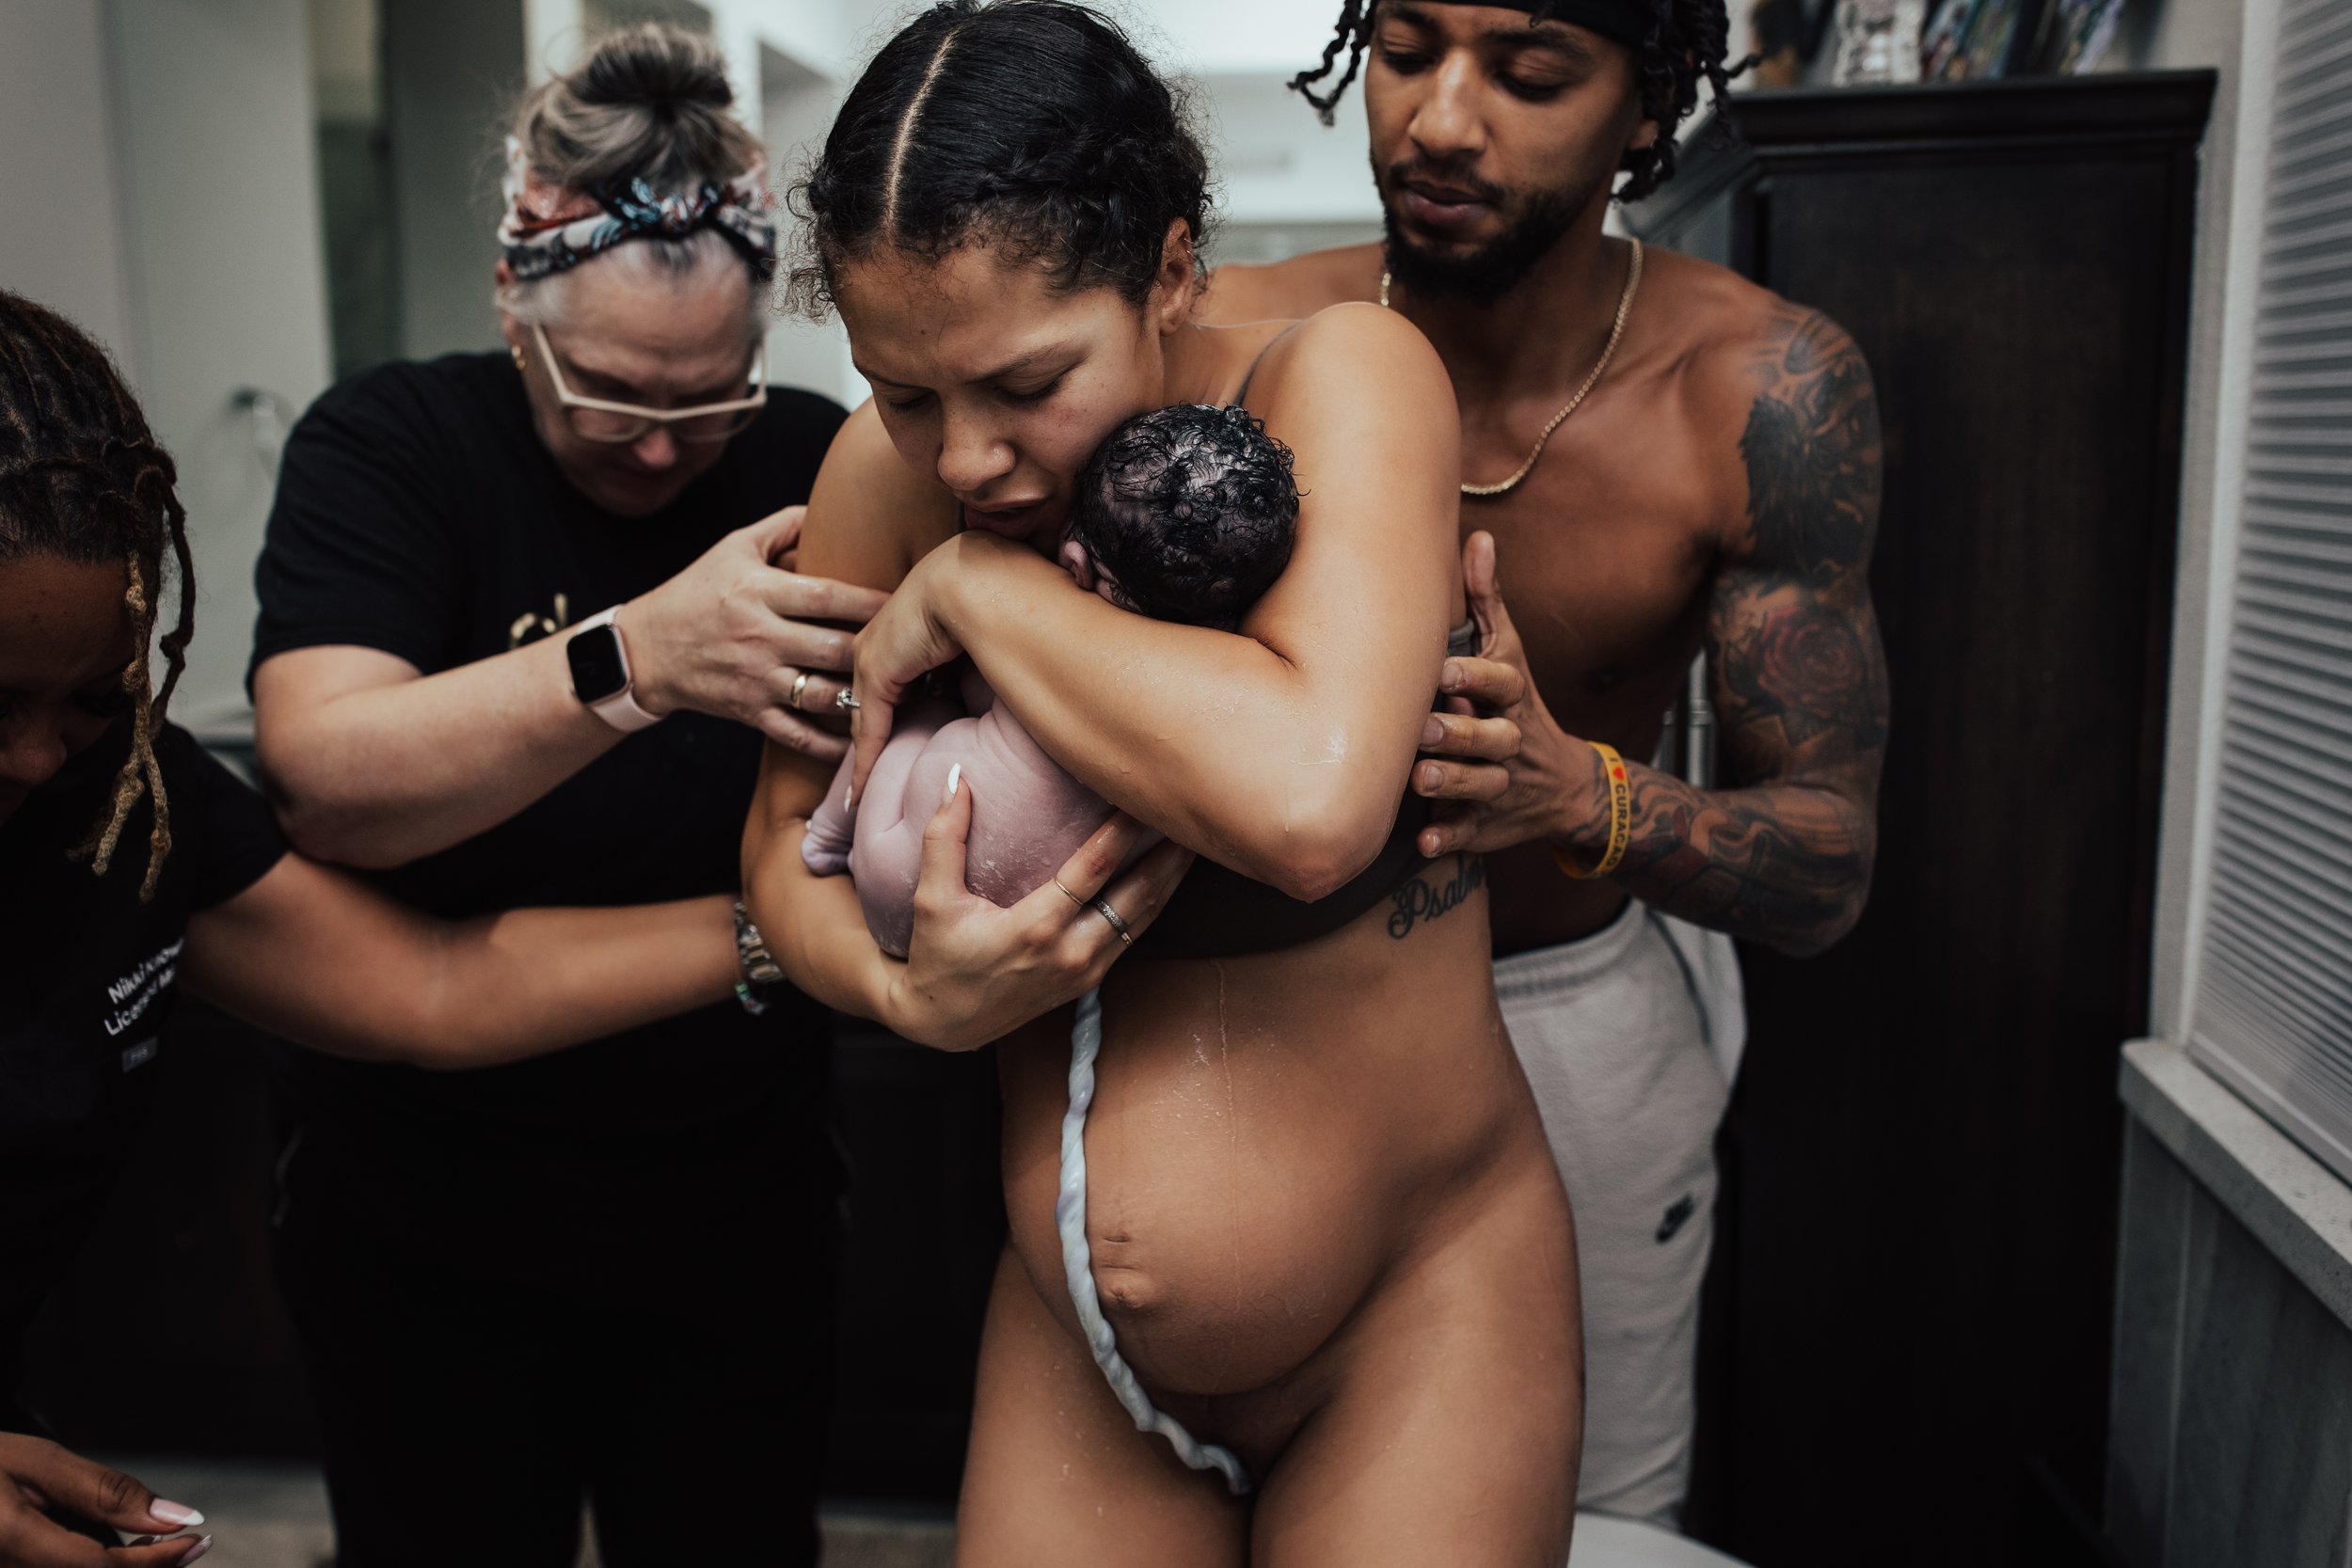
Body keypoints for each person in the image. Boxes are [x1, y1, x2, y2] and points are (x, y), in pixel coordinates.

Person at [742, 4, 1583, 1562]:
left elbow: (1312, 803)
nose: (970, 461)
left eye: (1024, 381)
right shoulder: (885, 471)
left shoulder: (1342, 377)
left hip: (1415, 1312)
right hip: (1077, 1344)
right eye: (906, 391)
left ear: (1171, 271)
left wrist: (987, 597)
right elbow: (779, 853)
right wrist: (899, 989)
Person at [1201, 0, 1888, 1528]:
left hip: (1577, 1030)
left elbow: (1829, 861)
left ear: (1646, 112)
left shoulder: (1761, 393)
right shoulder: (1235, 340)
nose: (1443, 120)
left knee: (1581, 1529)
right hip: (1272, 1018)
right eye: (1405, 51)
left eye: (1526, 75)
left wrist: (1584, 795)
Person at [243, 24, 881, 1567]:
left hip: (738, 1202)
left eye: (707, 397)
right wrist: (639, 657)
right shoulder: (391, 446)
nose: (661, 443)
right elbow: (328, 783)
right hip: (426, 1217)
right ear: (509, 310)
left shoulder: (818, 463)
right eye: (605, 394)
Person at [0, 290, 755, 1568]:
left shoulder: (124, 798)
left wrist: (790, 931)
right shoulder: (398, 442)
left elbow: (435, 985)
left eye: (91, 697)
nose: (32, 755)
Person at [802, 401, 1300, 956]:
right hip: (1045, 927)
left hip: (896, 883)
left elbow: (977, 689)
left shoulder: (1045, 651)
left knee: (918, 710)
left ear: (1074, 563)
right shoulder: (1220, 687)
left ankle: (827, 834)